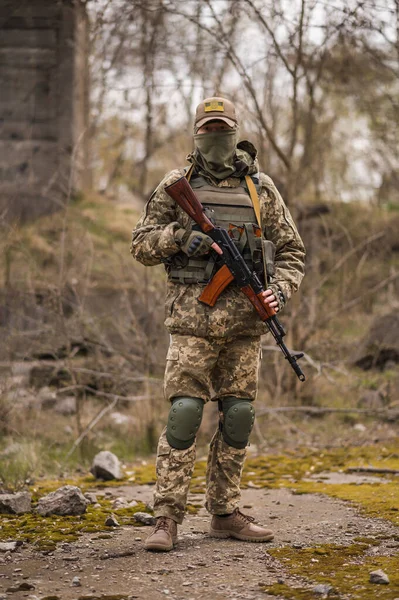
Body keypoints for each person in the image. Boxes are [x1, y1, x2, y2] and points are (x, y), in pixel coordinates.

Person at [130, 97, 305, 552]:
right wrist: (179, 238)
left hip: (245, 328)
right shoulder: (177, 185)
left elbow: (292, 253)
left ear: (235, 132)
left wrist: (278, 291)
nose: (215, 137)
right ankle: (166, 517)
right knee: (185, 413)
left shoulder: (260, 188)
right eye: (207, 129)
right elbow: (141, 244)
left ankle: (224, 512)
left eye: (222, 129)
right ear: (196, 135)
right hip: (191, 323)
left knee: (239, 417)